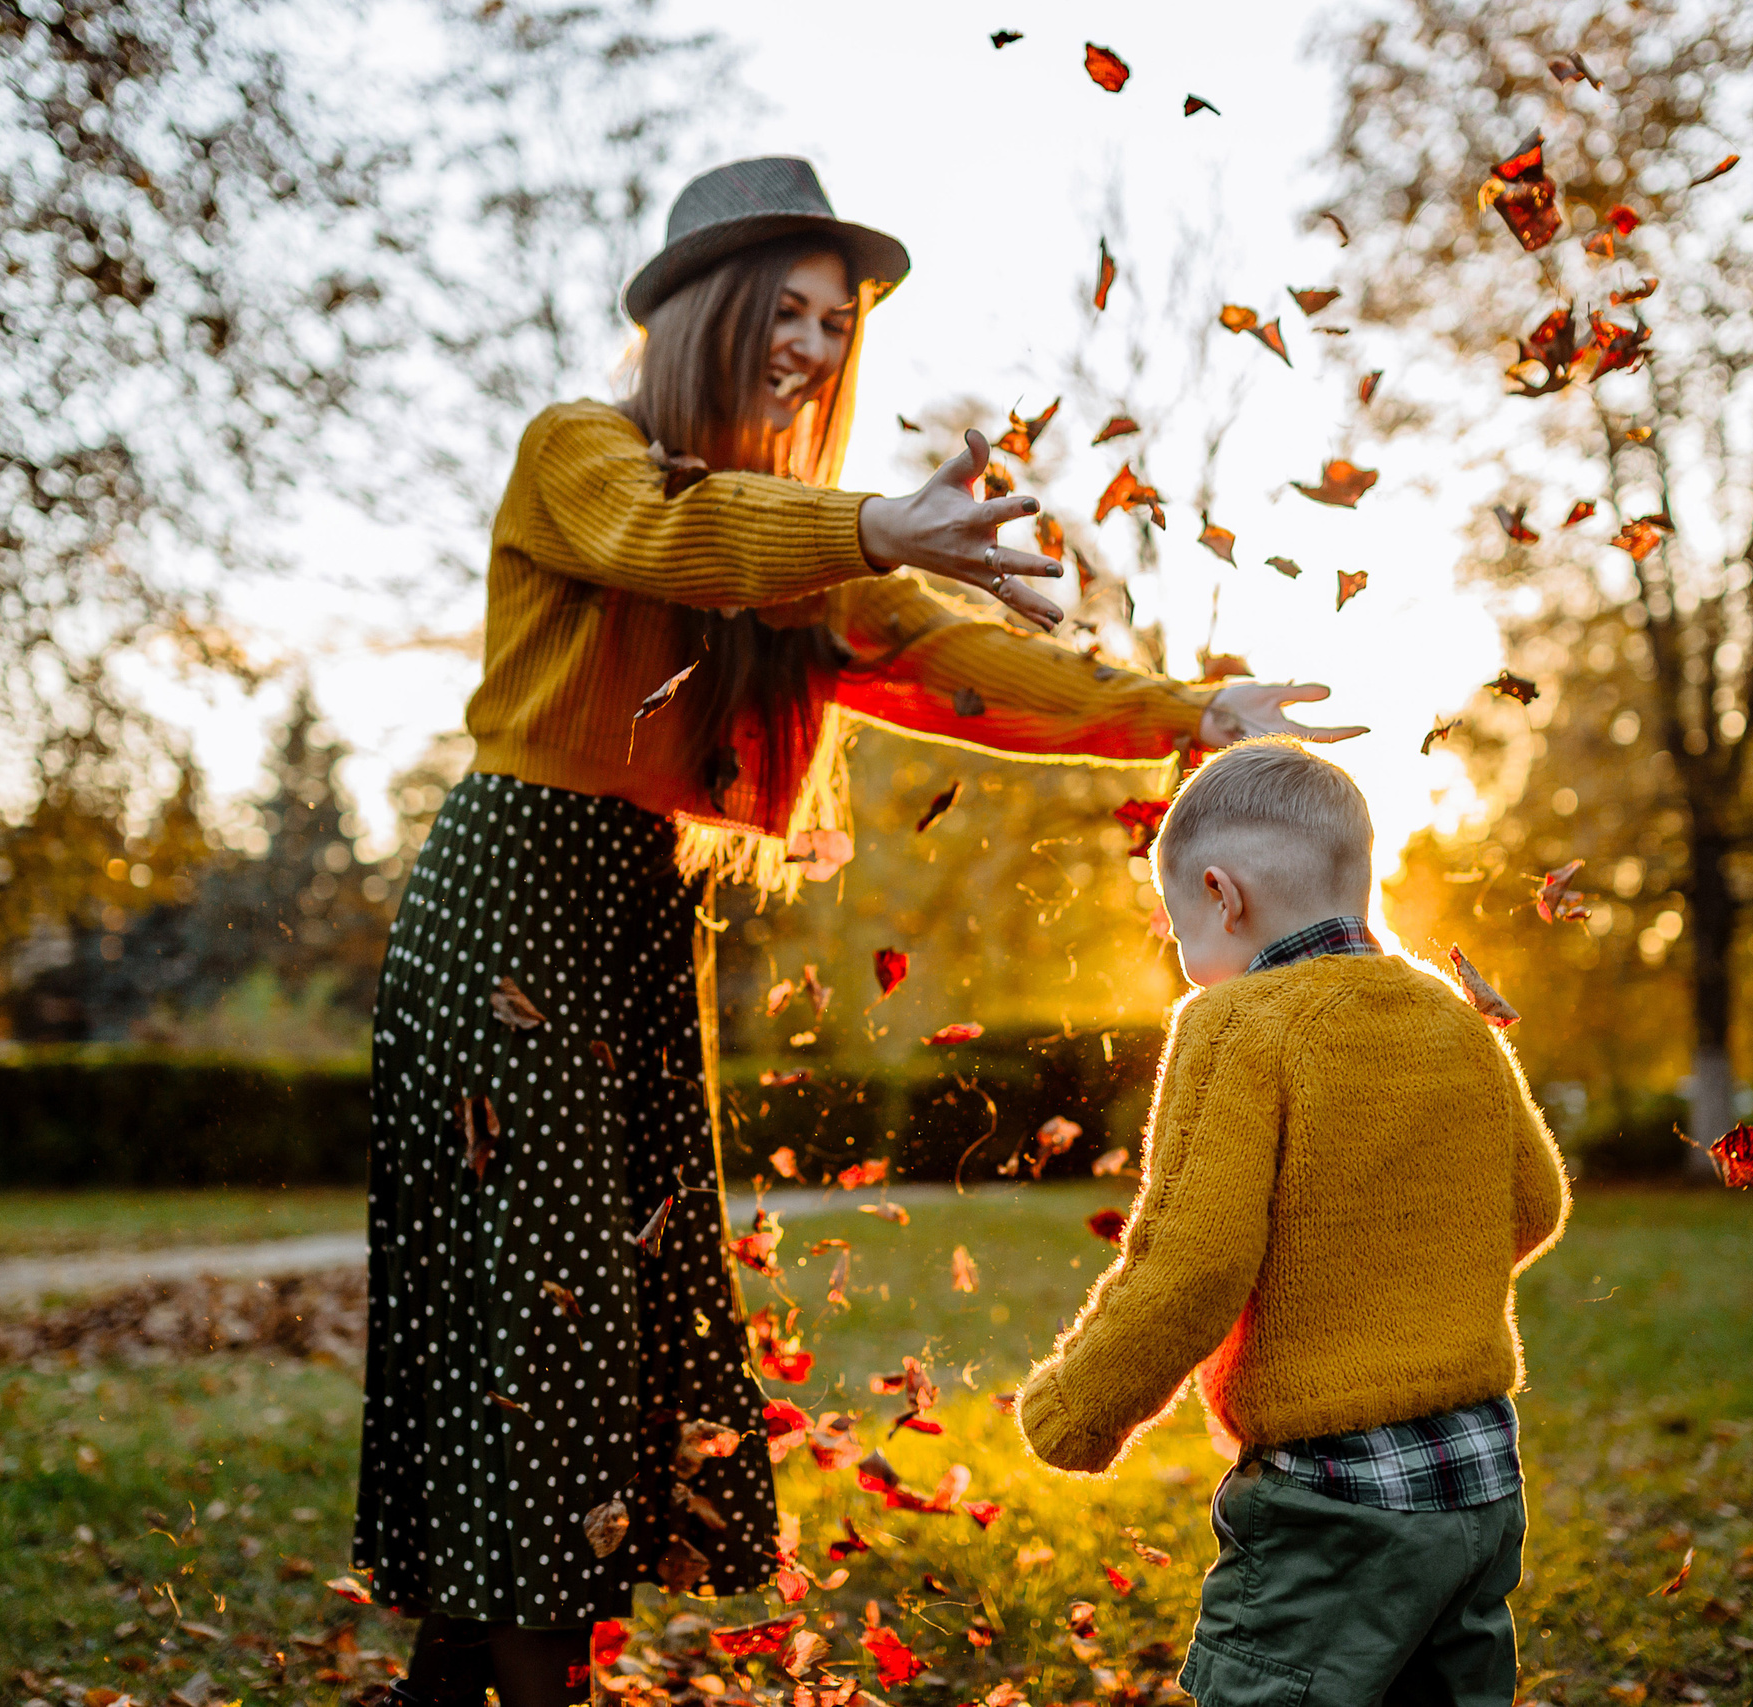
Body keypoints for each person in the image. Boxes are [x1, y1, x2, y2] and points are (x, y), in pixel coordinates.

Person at [351, 157, 1364, 1707]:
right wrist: (878, 520)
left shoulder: (801, 562)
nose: (815, 347)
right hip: (511, 894)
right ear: (702, 308)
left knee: (593, 1301)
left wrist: (1188, 714)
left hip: (629, 907)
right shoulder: (584, 451)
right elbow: (653, 533)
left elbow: (963, 667)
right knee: (538, 1298)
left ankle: (448, 1679)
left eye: (838, 322)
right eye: (788, 309)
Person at [1015, 736, 1570, 1706]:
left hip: (1335, 1496)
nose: (1188, 963)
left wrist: (1076, 1409)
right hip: (1480, 1479)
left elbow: (1191, 1266)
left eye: (1179, 929)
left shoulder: (1235, 1026)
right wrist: (1409, 1282)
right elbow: (1533, 1203)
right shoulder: (1449, 1014)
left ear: (1221, 896)